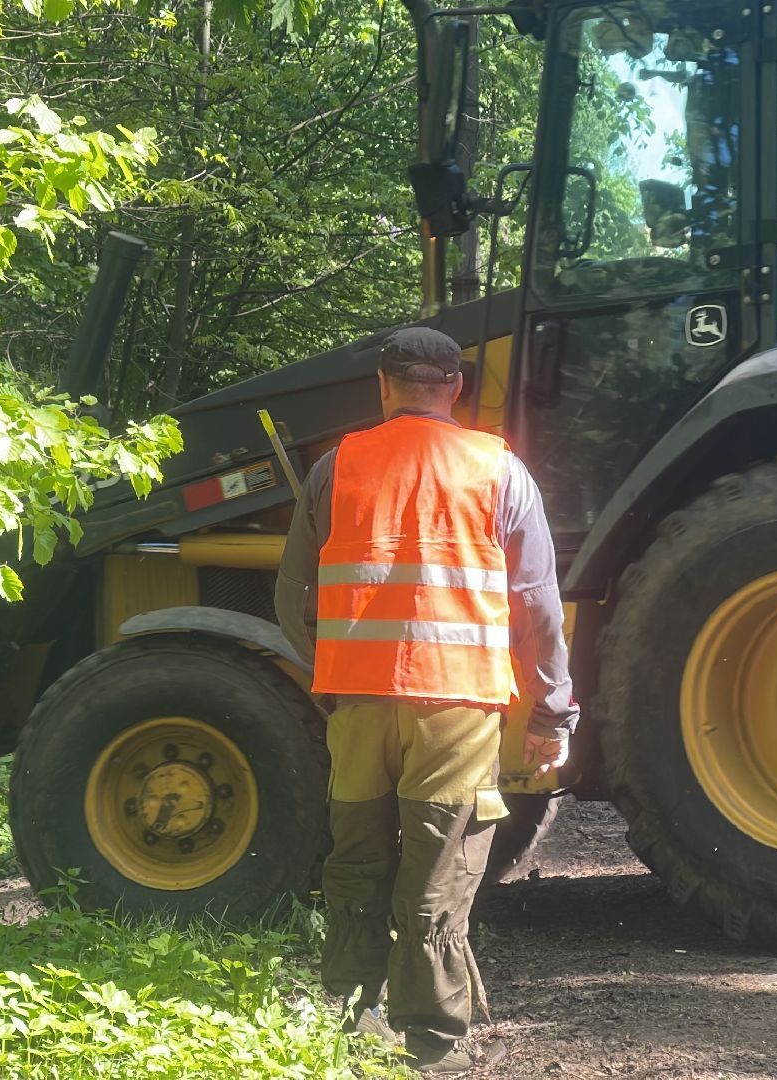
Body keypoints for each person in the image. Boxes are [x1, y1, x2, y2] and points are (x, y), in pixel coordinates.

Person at [274, 326, 580, 1074]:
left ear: (384, 387)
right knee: (438, 868)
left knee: (357, 858)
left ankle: (348, 1013)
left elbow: (292, 596)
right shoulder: (499, 472)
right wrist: (551, 713)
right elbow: (537, 606)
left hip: (359, 705)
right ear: (456, 389)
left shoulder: (334, 468)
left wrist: (335, 675)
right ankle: (433, 1042)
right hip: (457, 704)